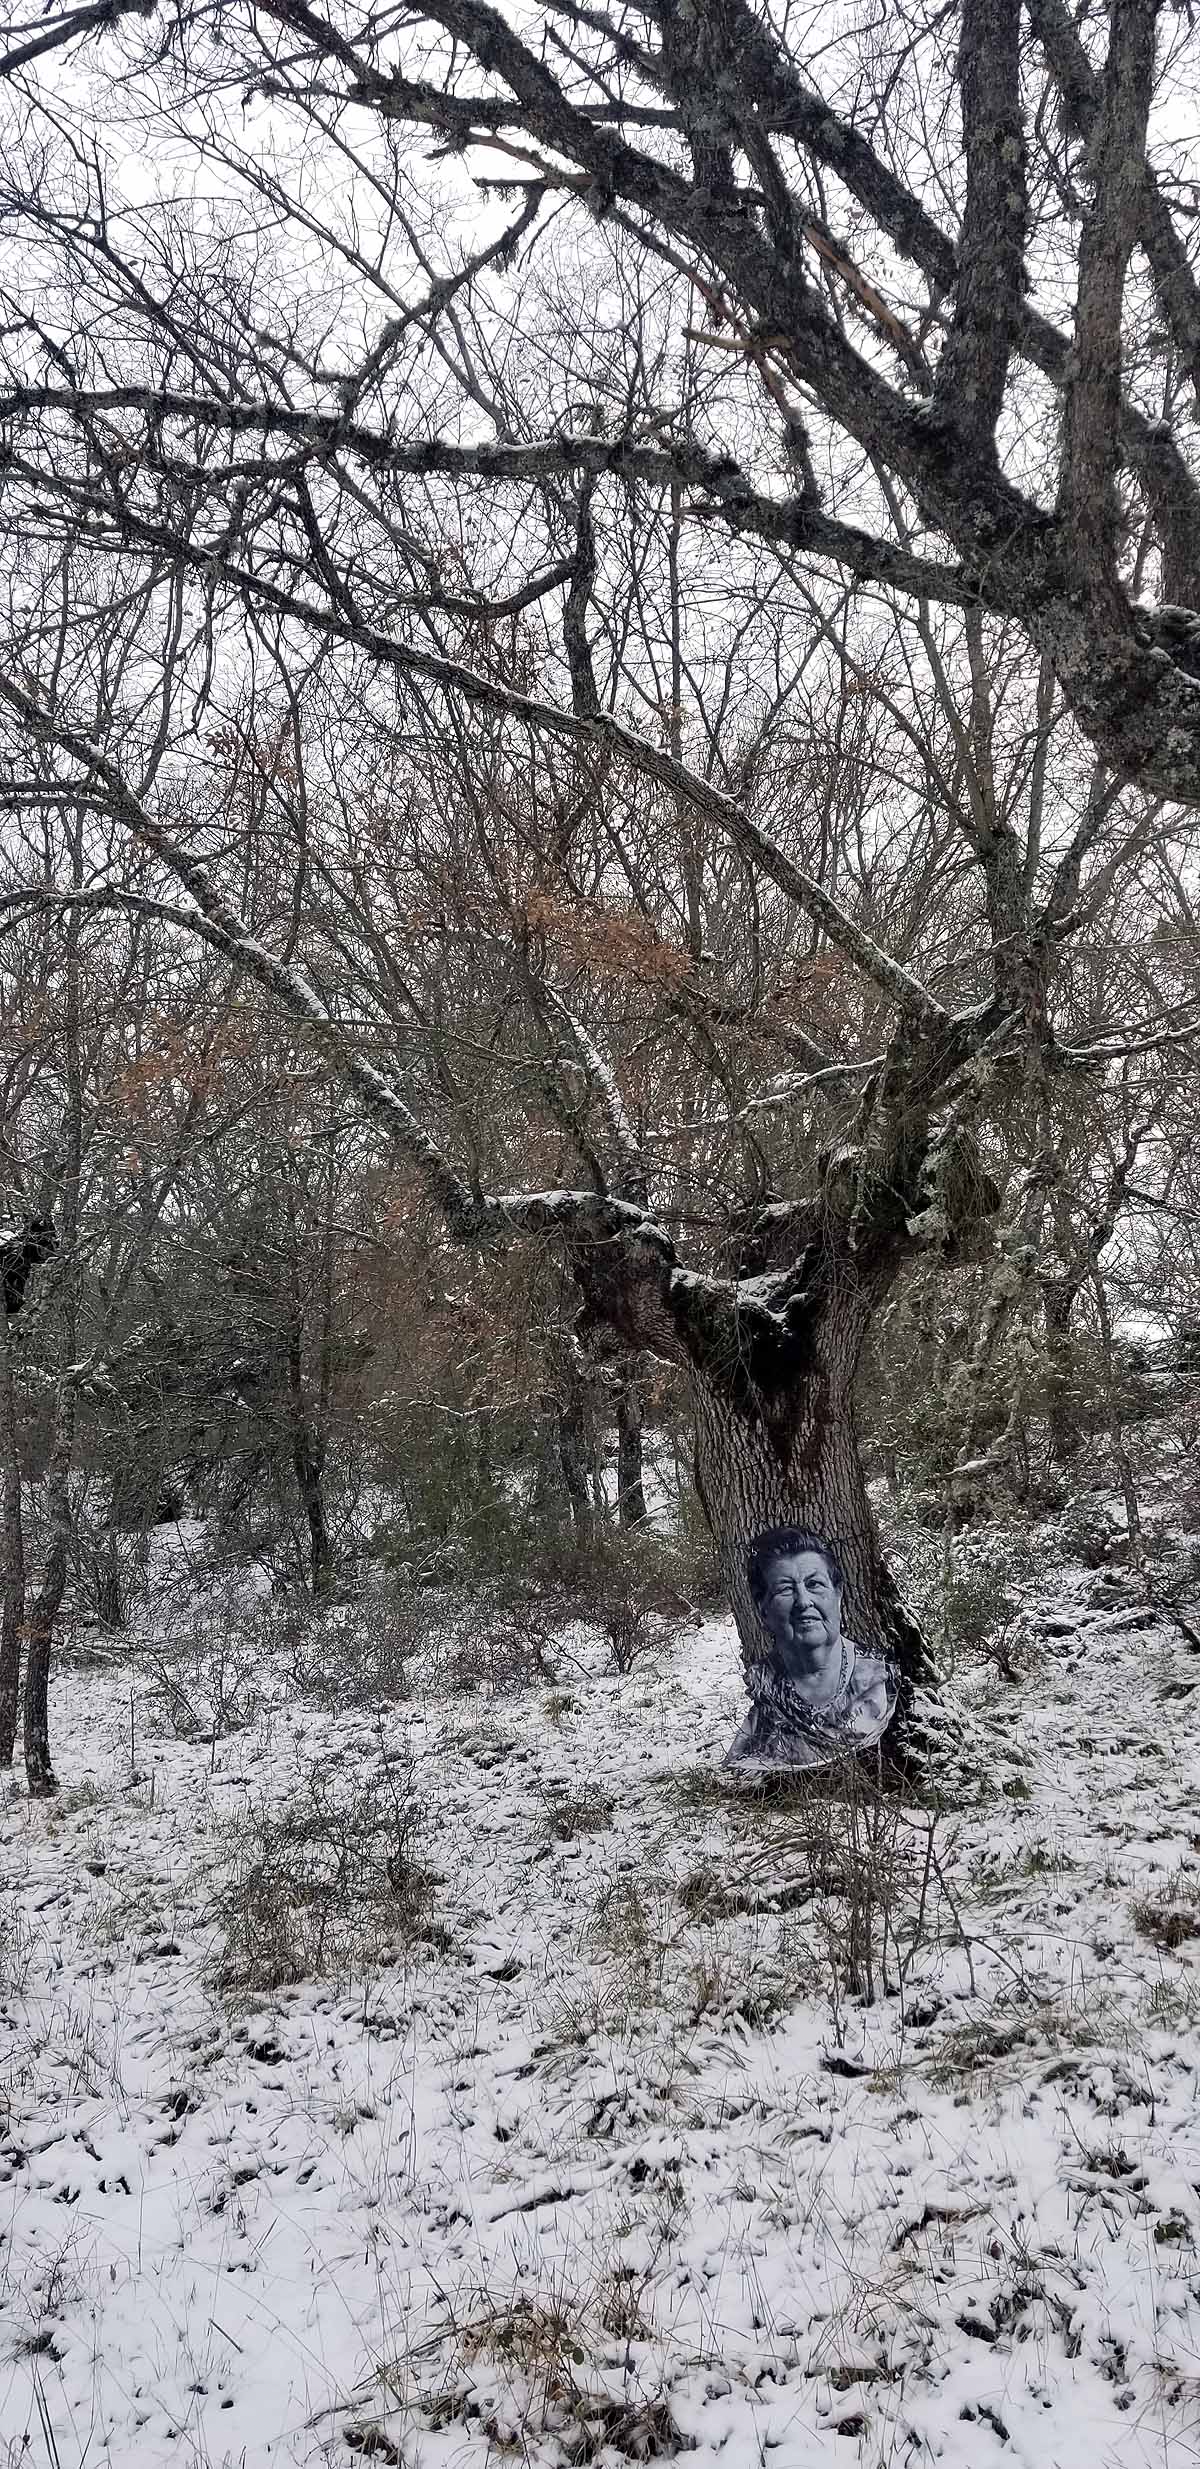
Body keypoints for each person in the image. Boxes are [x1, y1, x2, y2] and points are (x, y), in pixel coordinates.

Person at [724, 1528, 897, 1771]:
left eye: (814, 1584)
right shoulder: (767, 1690)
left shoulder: (883, 1681)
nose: (803, 1601)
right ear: (763, 1609)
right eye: (785, 1589)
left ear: (838, 1595)